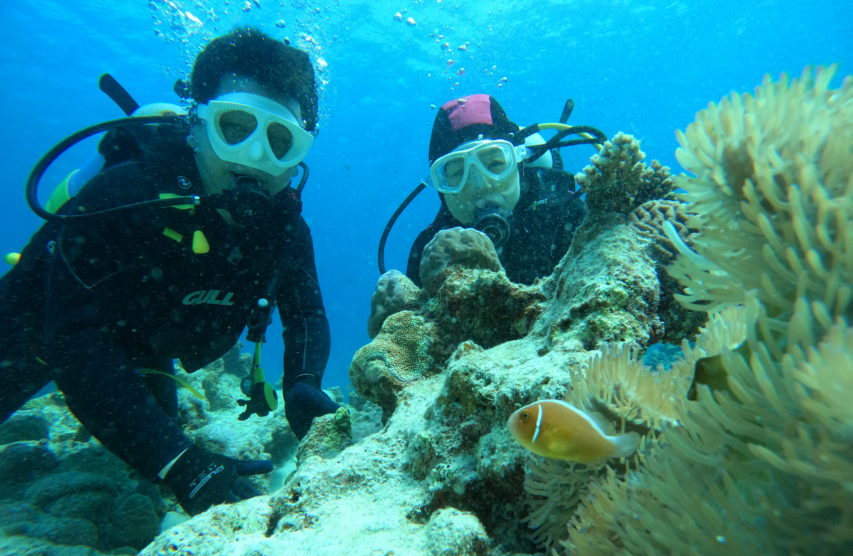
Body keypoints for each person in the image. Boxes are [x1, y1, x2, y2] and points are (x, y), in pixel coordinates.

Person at [0, 28, 339, 515]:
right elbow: (73, 342)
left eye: (281, 140)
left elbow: (305, 312)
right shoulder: (125, 195)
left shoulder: (284, 229)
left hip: (144, 351)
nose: (256, 159)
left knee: (147, 457)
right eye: (235, 127)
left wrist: (303, 383)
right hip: (33, 332)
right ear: (196, 126)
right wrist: (182, 463)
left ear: (299, 155)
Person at [406, 94, 588, 285]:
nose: (481, 186)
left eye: (494, 164)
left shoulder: (567, 215)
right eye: (459, 173)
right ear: (441, 187)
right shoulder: (428, 253)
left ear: (519, 162)